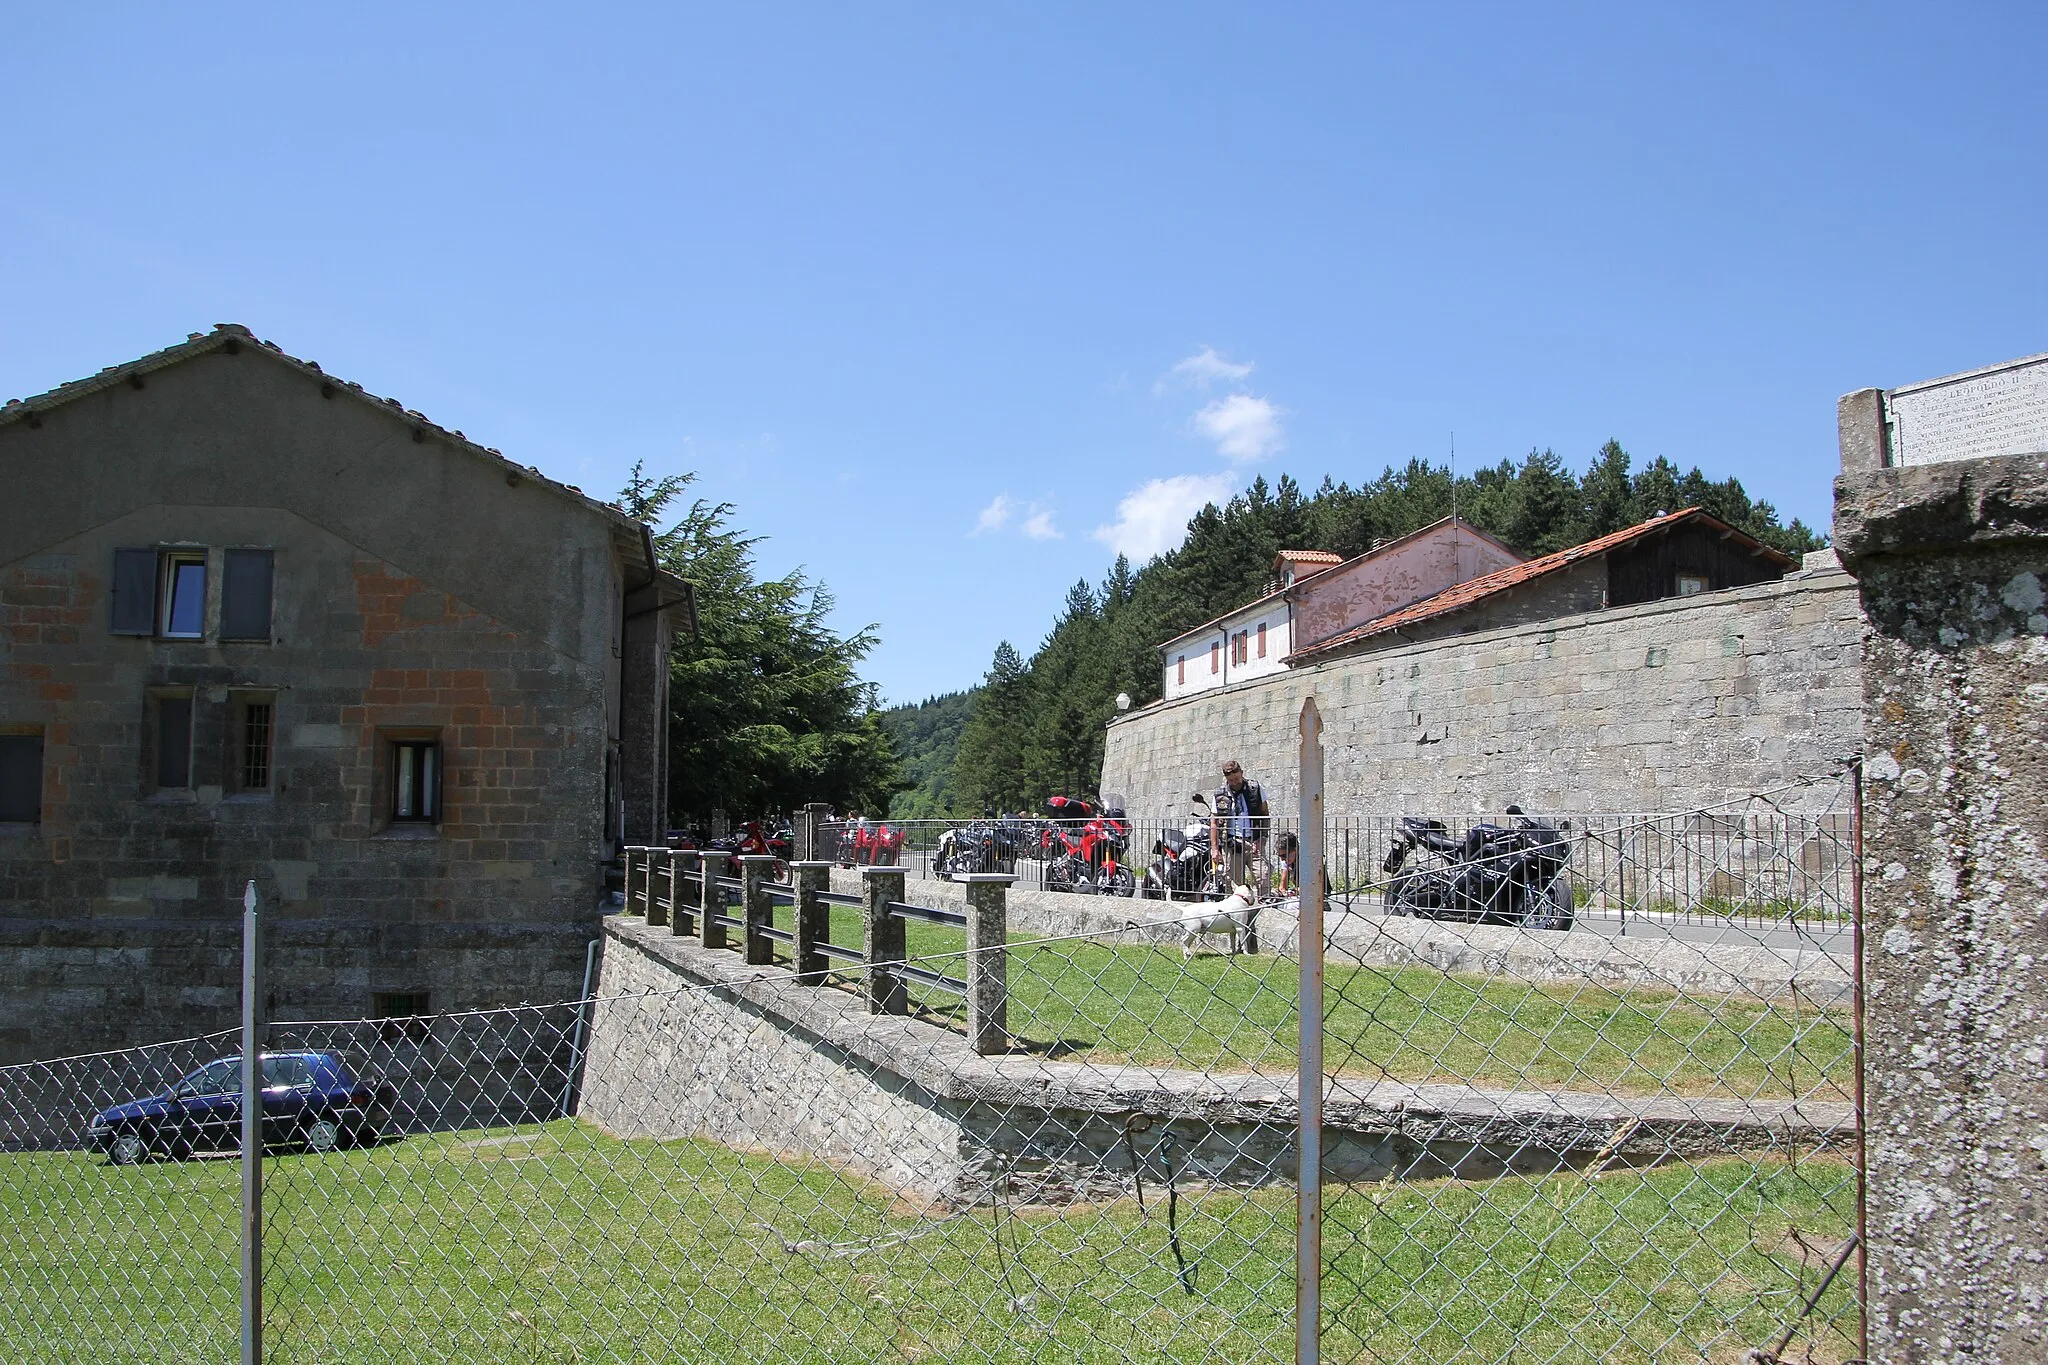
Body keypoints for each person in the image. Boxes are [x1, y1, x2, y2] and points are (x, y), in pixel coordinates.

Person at [1214, 760, 1268, 892]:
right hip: (1232, 843)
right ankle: (1236, 911)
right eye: (1231, 780)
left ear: (1242, 773)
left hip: (1254, 840)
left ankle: (1265, 904)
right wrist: (1215, 849)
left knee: (1263, 876)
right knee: (1234, 882)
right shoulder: (1220, 794)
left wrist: (1263, 838)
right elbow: (1214, 822)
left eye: (1237, 778)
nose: (1235, 782)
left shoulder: (1255, 788)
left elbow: (1265, 813)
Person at [1276, 830, 1331, 899]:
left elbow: (1313, 886)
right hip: (1303, 894)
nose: (1282, 859)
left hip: (1319, 894)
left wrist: (1295, 891)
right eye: (1279, 856)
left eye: (1284, 855)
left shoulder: (1309, 858)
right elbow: (1282, 887)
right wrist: (1283, 892)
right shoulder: (1288, 859)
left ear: (1295, 849)